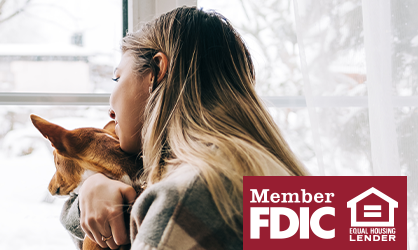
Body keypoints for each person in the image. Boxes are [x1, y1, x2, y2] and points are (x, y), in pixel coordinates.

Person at [59, 6, 309, 250]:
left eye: (117, 78)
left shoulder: (186, 198)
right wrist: (90, 192)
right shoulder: (276, 179)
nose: (110, 110)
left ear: (157, 70)